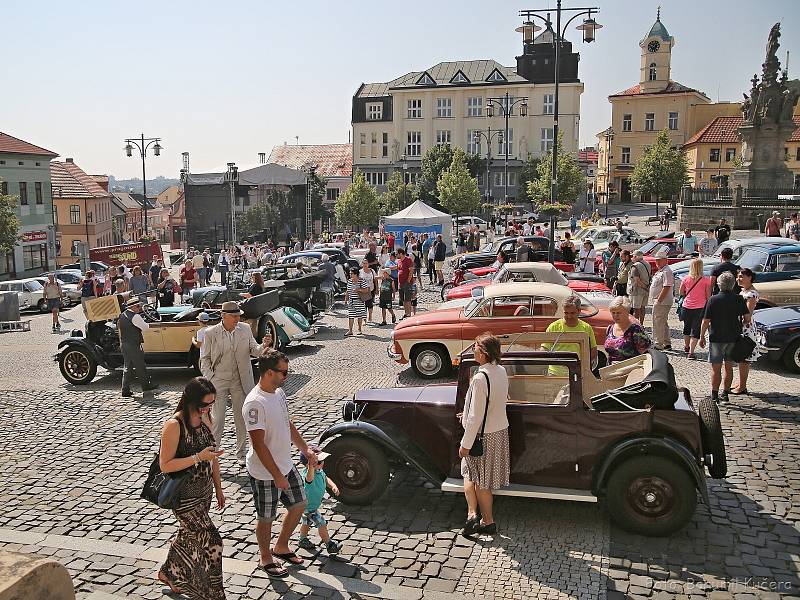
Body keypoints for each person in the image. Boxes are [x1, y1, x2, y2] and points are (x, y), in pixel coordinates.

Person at [244, 350, 318, 578]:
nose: (287, 376)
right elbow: (258, 445)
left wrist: (304, 448)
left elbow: (288, 423)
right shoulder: (254, 403)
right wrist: (276, 475)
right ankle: (265, 557)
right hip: (265, 471)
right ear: (268, 373)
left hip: (286, 464)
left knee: (299, 504)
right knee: (266, 517)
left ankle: (282, 546)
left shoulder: (279, 393)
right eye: (284, 372)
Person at [157, 377, 225, 599]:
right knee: (213, 541)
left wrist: (219, 487)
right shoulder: (174, 426)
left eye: (211, 404)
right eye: (204, 404)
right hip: (184, 497)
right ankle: (213, 594)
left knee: (188, 535)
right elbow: (165, 465)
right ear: (190, 401)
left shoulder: (206, 420)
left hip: (204, 493)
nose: (207, 409)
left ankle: (168, 572)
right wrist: (197, 457)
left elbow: (212, 458)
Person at [200, 301, 271, 465]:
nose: (237, 319)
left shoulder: (245, 329)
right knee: (218, 419)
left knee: (241, 418)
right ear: (223, 316)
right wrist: (210, 377)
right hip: (219, 380)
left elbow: (255, 350)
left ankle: (241, 454)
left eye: (238, 316)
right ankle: (213, 454)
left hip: (240, 380)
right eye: (234, 316)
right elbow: (204, 358)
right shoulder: (211, 333)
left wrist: (264, 346)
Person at [459, 333, 509, 537]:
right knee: (474, 475)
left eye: (476, 346)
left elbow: (475, 417)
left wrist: (465, 444)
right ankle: (477, 517)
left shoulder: (480, 378)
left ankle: (484, 519)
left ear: (484, 352)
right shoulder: (501, 371)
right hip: (499, 431)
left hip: (483, 435)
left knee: (478, 480)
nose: (473, 349)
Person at [699, 271, 750, 403]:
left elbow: (706, 321)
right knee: (729, 366)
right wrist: (742, 324)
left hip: (716, 337)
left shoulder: (713, 299)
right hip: (733, 337)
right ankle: (725, 393)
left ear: (719, 284)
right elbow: (747, 318)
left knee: (716, 368)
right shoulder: (739, 299)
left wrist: (701, 336)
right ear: (733, 285)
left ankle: (714, 394)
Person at [297, 445, 341, 555]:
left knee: (306, 523)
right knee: (321, 523)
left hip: (310, 505)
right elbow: (309, 478)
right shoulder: (309, 475)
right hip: (309, 507)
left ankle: (302, 539)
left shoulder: (320, 471)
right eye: (319, 461)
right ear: (310, 465)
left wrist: (333, 485)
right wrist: (311, 467)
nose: (322, 463)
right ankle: (329, 544)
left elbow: (326, 478)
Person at [543, 296, 598, 374]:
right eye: (566, 313)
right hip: (555, 373)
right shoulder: (554, 326)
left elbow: (593, 351)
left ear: (579, 311)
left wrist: (583, 365)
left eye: (572, 313)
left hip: (577, 373)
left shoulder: (586, 328)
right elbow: (545, 348)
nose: (569, 316)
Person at [118, 297, 158, 397]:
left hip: (125, 344)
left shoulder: (122, 315)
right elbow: (145, 327)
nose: (140, 308)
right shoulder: (135, 317)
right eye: (138, 306)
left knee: (128, 367)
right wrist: (146, 320)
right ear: (134, 306)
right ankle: (146, 386)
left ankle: (125, 389)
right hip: (133, 345)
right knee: (140, 366)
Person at [732, 268, 762, 394]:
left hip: (746, 329)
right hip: (742, 327)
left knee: (744, 358)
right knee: (740, 357)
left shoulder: (751, 294)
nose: (738, 279)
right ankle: (740, 382)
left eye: (741, 276)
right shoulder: (743, 291)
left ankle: (743, 386)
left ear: (749, 277)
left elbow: (747, 316)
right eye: (738, 276)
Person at [678, 258, 712, 359]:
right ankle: (691, 352)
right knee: (696, 329)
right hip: (700, 307)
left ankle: (686, 347)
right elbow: (708, 296)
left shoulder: (686, 278)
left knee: (686, 328)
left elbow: (681, 292)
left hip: (686, 306)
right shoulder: (706, 280)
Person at [604, 296, 651, 363]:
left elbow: (645, 354)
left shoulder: (635, 330)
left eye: (619, 313)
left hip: (630, 370)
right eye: (613, 312)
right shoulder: (610, 328)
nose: (615, 315)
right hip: (611, 369)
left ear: (627, 312)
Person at [648, 251, 674, 351]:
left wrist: (659, 299)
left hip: (662, 301)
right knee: (663, 322)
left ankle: (658, 344)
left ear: (665, 260)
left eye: (659, 260)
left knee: (658, 322)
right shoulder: (661, 270)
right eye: (656, 260)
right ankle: (667, 343)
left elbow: (667, 286)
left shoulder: (666, 271)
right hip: (661, 300)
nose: (657, 262)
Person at [627, 251, 651, 325]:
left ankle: (636, 325)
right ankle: (641, 324)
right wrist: (646, 288)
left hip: (637, 290)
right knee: (642, 308)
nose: (631, 258)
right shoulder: (647, 264)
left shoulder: (635, 266)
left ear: (636, 257)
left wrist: (643, 287)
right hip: (645, 290)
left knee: (636, 309)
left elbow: (637, 280)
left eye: (633, 256)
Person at [345, 268, 367, 336]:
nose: (350, 275)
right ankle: (350, 330)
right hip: (351, 301)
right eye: (350, 273)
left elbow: (366, 290)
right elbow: (347, 291)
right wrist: (346, 299)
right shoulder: (349, 281)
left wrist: (358, 289)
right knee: (350, 316)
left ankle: (359, 329)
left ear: (356, 274)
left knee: (359, 316)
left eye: (351, 273)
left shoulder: (361, 281)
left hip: (359, 300)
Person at [396, 248, 414, 319]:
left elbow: (411, 270)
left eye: (397, 253)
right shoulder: (399, 261)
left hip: (407, 283)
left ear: (401, 253)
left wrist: (408, 281)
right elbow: (398, 269)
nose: (396, 255)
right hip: (400, 283)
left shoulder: (408, 260)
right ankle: (406, 313)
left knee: (408, 299)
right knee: (403, 299)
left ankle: (409, 314)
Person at [359, 258, 376, 323]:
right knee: (363, 305)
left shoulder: (372, 271)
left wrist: (376, 289)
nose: (365, 265)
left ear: (368, 264)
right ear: (362, 264)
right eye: (364, 263)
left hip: (371, 290)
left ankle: (370, 316)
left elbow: (375, 280)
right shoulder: (360, 272)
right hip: (363, 290)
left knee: (370, 304)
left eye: (366, 263)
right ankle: (364, 319)